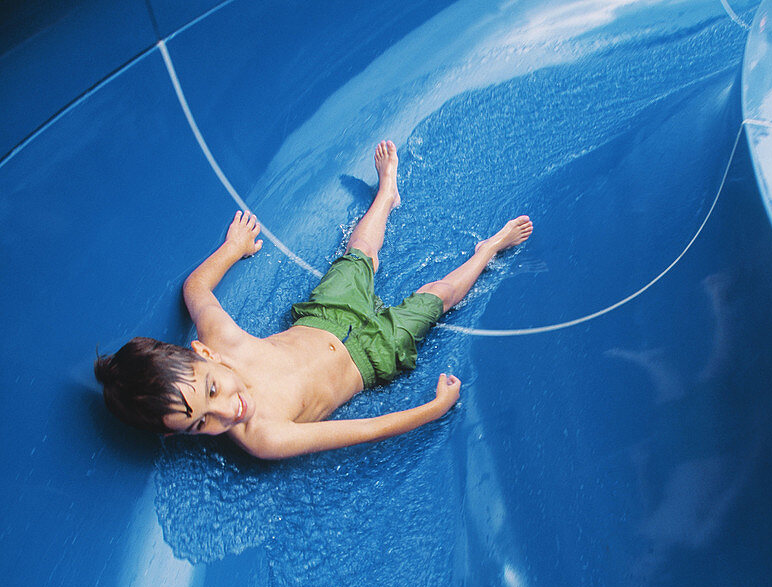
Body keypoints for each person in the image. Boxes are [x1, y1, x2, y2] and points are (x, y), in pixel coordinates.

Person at [94, 141, 533, 459]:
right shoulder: (264, 436)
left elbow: (195, 290)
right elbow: (364, 429)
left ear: (205, 353)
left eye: (212, 389)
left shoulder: (223, 340)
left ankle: (386, 195)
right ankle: (488, 250)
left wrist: (233, 248)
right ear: (180, 436)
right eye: (200, 424)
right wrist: (432, 410)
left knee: (360, 254)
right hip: (367, 356)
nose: (227, 411)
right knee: (436, 299)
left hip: (326, 316)